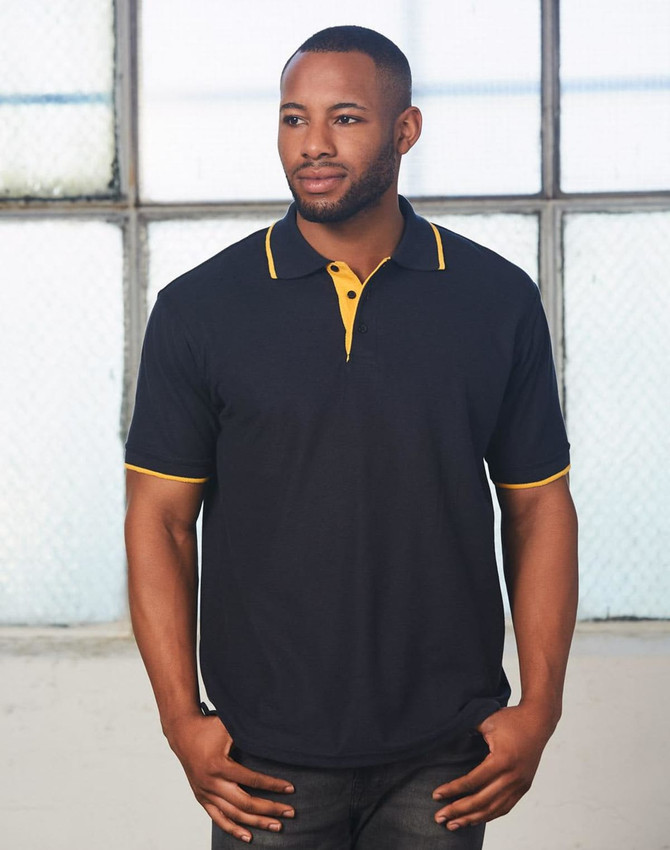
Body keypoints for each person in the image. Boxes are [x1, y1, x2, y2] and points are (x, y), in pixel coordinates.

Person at [124, 25, 578, 849]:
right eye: (293, 118)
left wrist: (540, 706)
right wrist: (180, 718)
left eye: (345, 118)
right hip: (265, 761)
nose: (314, 145)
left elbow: (539, 507)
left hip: (448, 755)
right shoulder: (200, 309)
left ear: (405, 130)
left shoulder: (495, 298)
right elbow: (158, 519)